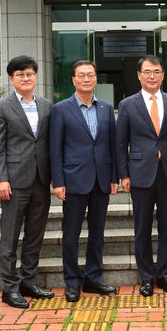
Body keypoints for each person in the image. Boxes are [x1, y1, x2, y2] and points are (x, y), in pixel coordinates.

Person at [50, 60, 118, 303]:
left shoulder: (106, 108)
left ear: (96, 78)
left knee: (97, 233)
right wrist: (58, 181)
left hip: (101, 180)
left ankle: (93, 278)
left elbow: (112, 145)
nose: (86, 79)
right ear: (73, 80)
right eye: (81, 75)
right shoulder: (61, 109)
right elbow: (55, 148)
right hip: (73, 180)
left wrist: (113, 177)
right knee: (71, 234)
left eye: (91, 74)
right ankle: (72, 282)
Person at [116, 55, 167, 297]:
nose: (152, 76)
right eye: (147, 72)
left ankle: (165, 274)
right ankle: (146, 277)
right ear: (139, 75)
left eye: (156, 71)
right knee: (142, 227)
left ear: (163, 74)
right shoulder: (127, 105)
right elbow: (120, 142)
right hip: (139, 174)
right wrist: (123, 174)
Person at [0, 56, 54, 309]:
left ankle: (29, 281)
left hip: (41, 180)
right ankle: (10, 287)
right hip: (14, 182)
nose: (25, 78)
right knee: (10, 237)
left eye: (29, 74)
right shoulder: (1, 107)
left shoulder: (47, 105)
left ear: (36, 76)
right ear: (11, 79)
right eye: (20, 75)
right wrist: (1, 179)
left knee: (35, 236)